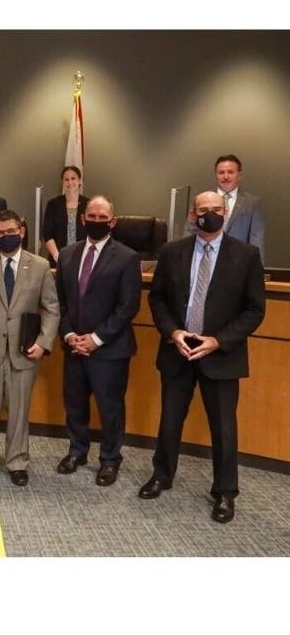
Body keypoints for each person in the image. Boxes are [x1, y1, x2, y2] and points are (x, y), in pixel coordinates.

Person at [141, 191, 265, 523]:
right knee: (169, 419)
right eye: (202, 210)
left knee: (223, 427)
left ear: (225, 212)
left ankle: (225, 492)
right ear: (193, 214)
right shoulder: (171, 252)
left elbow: (255, 310)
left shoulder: (247, 255)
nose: (208, 214)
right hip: (179, 349)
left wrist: (217, 341)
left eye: (215, 209)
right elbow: (158, 301)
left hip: (220, 354)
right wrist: (173, 333)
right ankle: (162, 475)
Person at [0, 210, 59, 485]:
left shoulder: (39, 266)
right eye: (0, 233)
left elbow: (52, 309)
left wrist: (43, 342)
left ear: (22, 231)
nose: (6, 237)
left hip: (24, 353)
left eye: (11, 231)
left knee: (19, 411)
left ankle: (17, 461)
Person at [55, 196, 142, 486]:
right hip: (74, 347)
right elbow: (60, 302)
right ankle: (77, 451)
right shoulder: (67, 255)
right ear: (82, 219)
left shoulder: (127, 258)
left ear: (112, 221)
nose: (96, 220)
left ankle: (109, 459)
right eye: (91, 216)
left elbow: (128, 306)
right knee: (75, 404)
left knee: (110, 407)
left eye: (102, 217)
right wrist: (69, 335)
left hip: (109, 350)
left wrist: (95, 339)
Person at [184, 154, 265, 262]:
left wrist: (257, 270)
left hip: (238, 264)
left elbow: (256, 239)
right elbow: (189, 232)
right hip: (204, 261)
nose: (225, 177)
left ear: (239, 175)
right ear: (216, 175)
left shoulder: (252, 203)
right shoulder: (202, 200)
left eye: (230, 172)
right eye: (221, 172)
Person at [41, 165, 88, 267]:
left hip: (83, 260)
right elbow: (47, 234)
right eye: (66, 179)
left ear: (80, 181)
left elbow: (92, 233)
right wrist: (57, 257)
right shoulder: (53, 204)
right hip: (57, 260)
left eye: (73, 178)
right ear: (63, 182)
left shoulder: (88, 204)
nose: (70, 182)